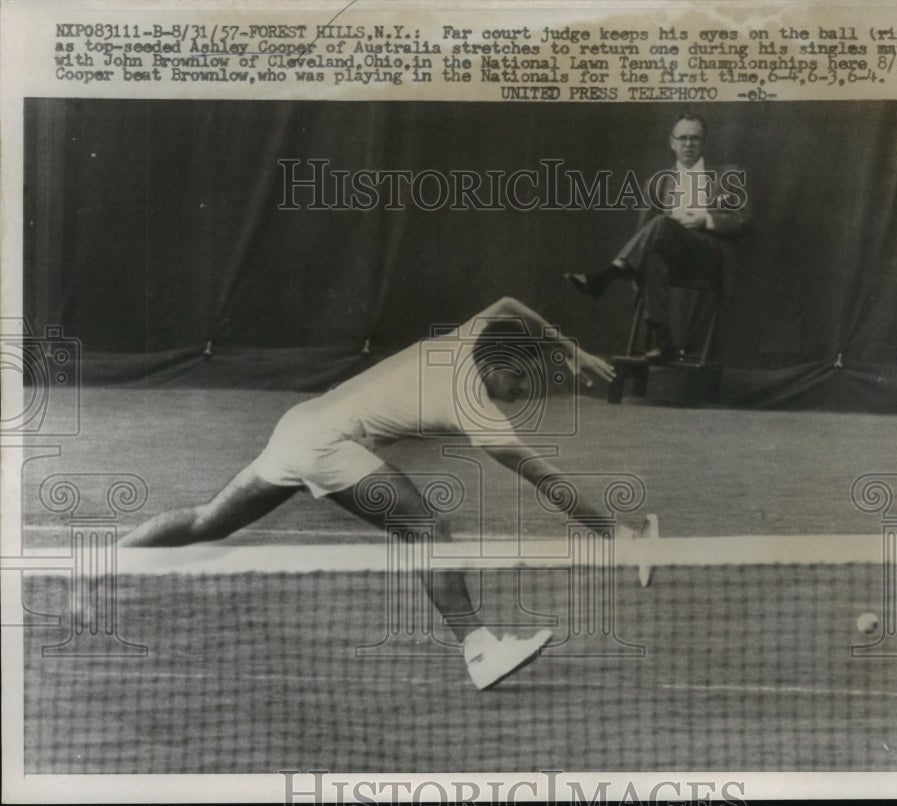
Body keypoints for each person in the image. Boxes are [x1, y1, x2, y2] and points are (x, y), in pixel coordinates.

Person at [119, 296, 624, 690]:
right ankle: (480, 649)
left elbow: (509, 306)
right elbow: (544, 479)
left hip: (300, 425)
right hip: (327, 442)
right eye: (520, 377)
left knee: (209, 520)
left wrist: (569, 348)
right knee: (427, 527)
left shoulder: (469, 338)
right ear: (494, 366)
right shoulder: (472, 405)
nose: (525, 390)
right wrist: (615, 534)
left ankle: (100, 562)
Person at [566, 113, 751, 362]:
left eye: (694, 138)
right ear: (671, 142)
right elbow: (643, 232)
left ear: (704, 143)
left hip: (708, 255)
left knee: (662, 222)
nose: (688, 144)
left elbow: (745, 220)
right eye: (682, 138)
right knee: (652, 256)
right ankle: (665, 343)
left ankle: (607, 274)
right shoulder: (656, 184)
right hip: (672, 256)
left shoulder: (728, 175)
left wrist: (704, 219)